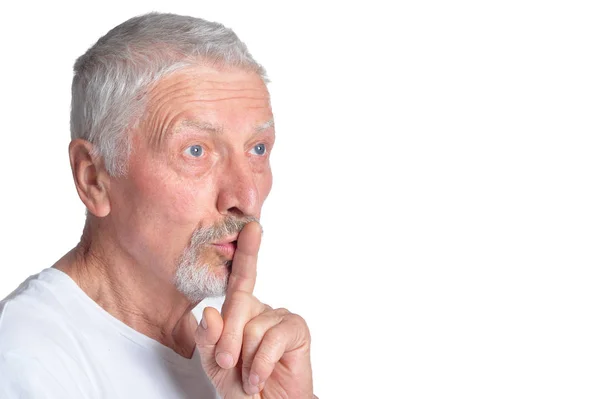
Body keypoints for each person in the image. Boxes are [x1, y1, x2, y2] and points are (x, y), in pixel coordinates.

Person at [0, 12, 316, 399]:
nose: (246, 198)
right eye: (196, 151)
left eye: (257, 149)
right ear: (93, 179)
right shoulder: (28, 357)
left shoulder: (232, 352)